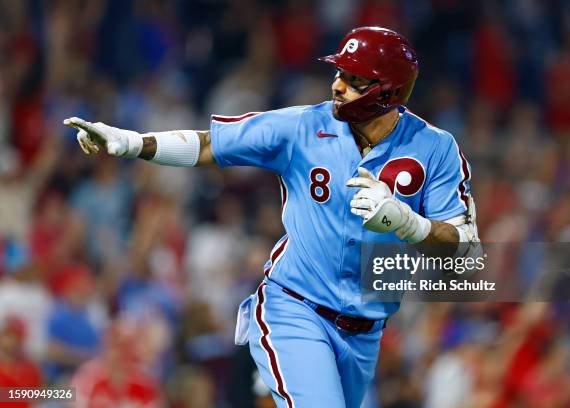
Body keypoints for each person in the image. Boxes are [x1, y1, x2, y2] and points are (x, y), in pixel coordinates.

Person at [64, 26, 480, 408]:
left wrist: (408, 223)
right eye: (339, 73)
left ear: (388, 90)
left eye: (354, 79)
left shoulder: (436, 149)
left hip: (365, 333)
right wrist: (132, 142)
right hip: (294, 308)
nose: (337, 84)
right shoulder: (302, 126)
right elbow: (211, 145)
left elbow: (463, 252)